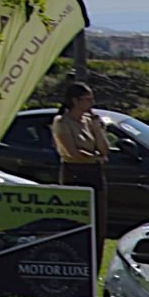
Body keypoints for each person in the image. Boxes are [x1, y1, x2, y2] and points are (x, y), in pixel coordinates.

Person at [50, 83, 110, 230]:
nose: (91, 103)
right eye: (87, 99)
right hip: (74, 172)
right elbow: (73, 153)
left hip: (94, 173)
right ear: (75, 101)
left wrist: (97, 129)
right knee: (77, 220)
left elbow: (104, 149)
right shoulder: (62, 122)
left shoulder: (88, 121)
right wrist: (95, 157)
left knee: (98, 217)